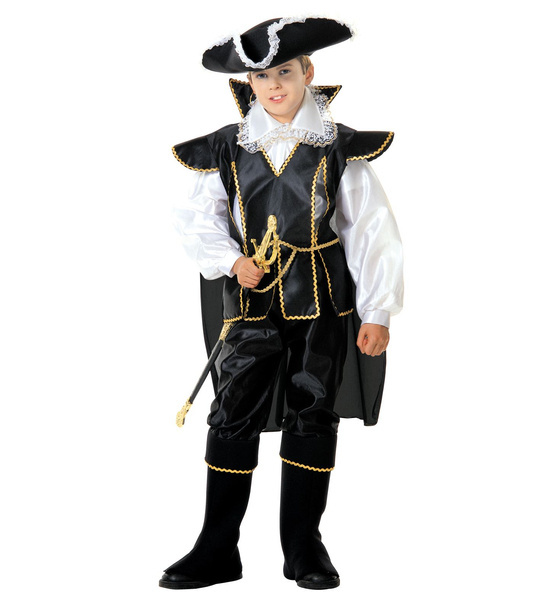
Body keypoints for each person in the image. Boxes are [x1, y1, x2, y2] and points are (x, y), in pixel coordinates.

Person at [160, 17, 403, 590]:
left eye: (285, 73)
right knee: (233, 410)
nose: (274, 86)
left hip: (320, 302)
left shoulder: (338, 146)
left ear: (307, 73)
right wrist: (231, 261)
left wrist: (377, 310)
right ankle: (217, 547)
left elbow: (370, 230)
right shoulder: (229, 145)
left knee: (312, 407)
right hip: (251, 301)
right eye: (262, 77)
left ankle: (302, 545)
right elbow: (197, 218)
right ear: (248, 83)